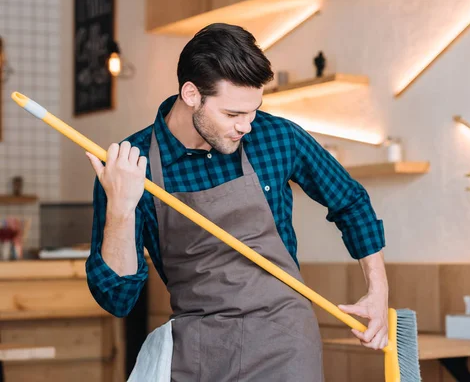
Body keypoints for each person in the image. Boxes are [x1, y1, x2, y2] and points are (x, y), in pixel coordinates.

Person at [85, 23, 389, 381]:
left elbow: (350, 201)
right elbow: (118, 300)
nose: (246, 126)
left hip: (284, 341)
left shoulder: (276, 137)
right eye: (232, 115)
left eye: (253, 110)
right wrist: (120, 209)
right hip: (199, 350)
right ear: (191, 94)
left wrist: (378, 290)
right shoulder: (131, 166)